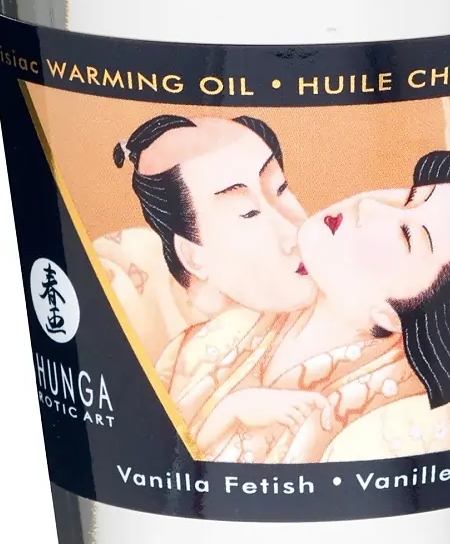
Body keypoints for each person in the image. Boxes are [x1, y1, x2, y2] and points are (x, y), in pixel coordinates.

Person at [159, 150, 450, 463]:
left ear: (393, 316)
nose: (369, 206)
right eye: (410, 197)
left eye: (406, 235)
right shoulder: (239, 323)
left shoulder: (403, 427)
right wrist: (230, 411)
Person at [95, 113, 313, 364]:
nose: (295, 234)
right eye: (248, 212)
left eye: (281, 188)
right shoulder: (125, 303)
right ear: (192, 256)